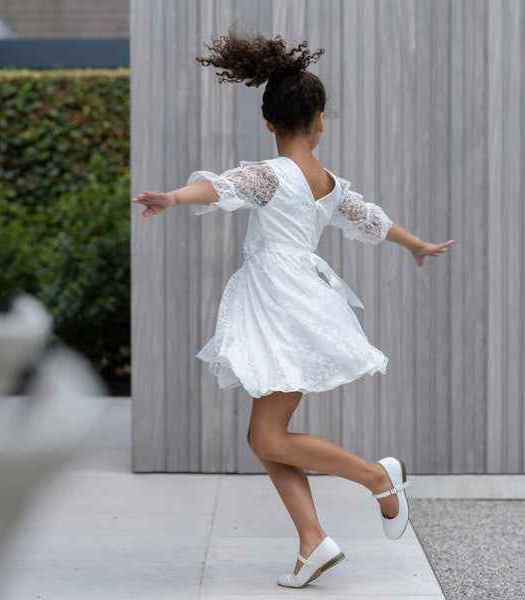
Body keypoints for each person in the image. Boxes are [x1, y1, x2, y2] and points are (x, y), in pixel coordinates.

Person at [133, 30, 454, 589]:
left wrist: (173, 197)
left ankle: (377, 477)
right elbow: (372, 220)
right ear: (320, 120)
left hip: (281, 308)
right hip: (300, 302)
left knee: (265, 437)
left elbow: (221, 187)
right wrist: (418, 244)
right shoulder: (328, 183)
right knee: (268, 433)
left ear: (269, 124)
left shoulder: (270, 173)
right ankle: (312, 541)